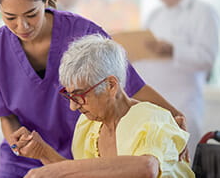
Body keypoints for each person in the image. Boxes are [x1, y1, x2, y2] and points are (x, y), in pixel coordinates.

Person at [0, 0, 187, 176]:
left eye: (31, 14)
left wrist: (173, 118)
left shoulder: (83, 34)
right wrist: (20, 144)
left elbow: (130, 84)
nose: (21, 26)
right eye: (10, 17)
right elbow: (6, 117)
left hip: (80, 156)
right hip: (23, 159)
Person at [15, 34, 194, 177]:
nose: (73, 106)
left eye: (79, 95)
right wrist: (43, 153)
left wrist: (58, 171)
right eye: (69, 95)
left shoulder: (153, 119)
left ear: (111, 85)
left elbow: (147, 168)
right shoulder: (88, 126)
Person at [133, 0, 220, 155]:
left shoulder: (203, 13)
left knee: (182, 161)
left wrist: (173, 50)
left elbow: (207, 58)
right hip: (151, 106)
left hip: (183, 105)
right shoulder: (155, 15)